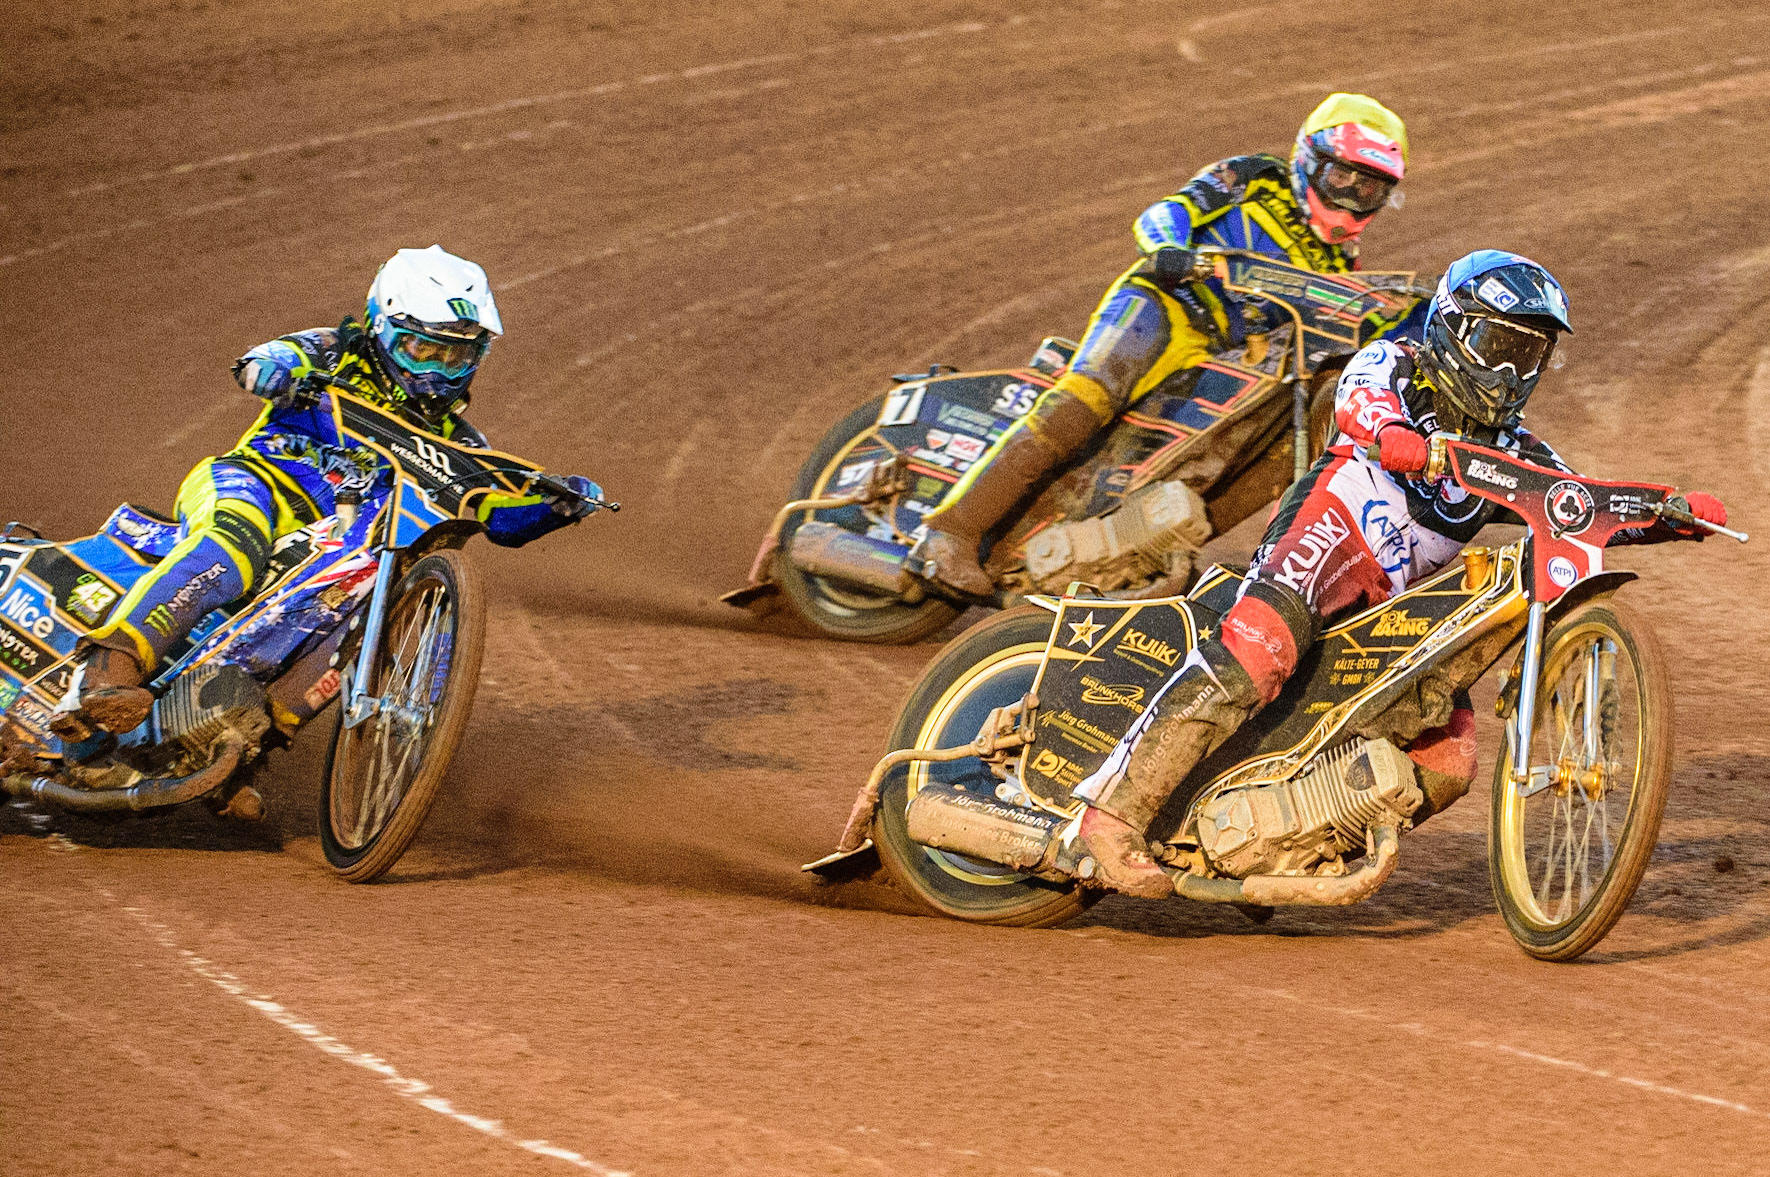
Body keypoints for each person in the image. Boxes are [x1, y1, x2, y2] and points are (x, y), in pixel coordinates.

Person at [1065, 250, 1730, 896]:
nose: (1509, 371)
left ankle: (1278, 845)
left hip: (1397, 604)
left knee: (1447, 762)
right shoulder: (1397, 364)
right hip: (1331, 531)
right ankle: (1110, 815)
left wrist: (1669, 513)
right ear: (1453, 327)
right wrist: (1393, 436)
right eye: (1498, 344)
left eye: (1528, 355)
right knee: (1260, 646)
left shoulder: (1516, 448)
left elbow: (1574, 504)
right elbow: (1359, 402)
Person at [51, 245, 601, 739]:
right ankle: (109, 666)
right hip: (254, 483)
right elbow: (263, 360)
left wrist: (555, 506)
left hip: (342, 544)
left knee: (363, 621)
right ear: (382, 328)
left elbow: (496, 515)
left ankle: (237, 748)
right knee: (233, 544)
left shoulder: (461, 444)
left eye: (455, 357)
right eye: (422, 350)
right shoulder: (335, 351)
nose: (438, 371)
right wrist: (275, 374)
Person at [913, 92, 1411, 596]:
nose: (1351, 195)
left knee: (1219, 459)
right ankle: (948, 532)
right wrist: (1170, 249)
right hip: (1165, 304)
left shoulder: (1340, 268)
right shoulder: (1257, 178)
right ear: (1309, 160)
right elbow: (1166, 212)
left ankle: (1125, 553)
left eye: (1368, 187)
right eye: (1341, 176)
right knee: (1084, 403)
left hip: (1221, 356)